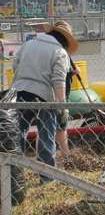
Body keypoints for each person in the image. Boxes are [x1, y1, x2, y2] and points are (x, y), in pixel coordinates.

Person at [12, 20, 78, 172]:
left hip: (19, 92)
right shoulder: (60, 52)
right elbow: (58, 81)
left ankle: (14, 172)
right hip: (43, 96)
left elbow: (15, 64)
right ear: (65, 41)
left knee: (18, 132)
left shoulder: (28, 44)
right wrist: (62, 107)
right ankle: (46, 175)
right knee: (46, 134)